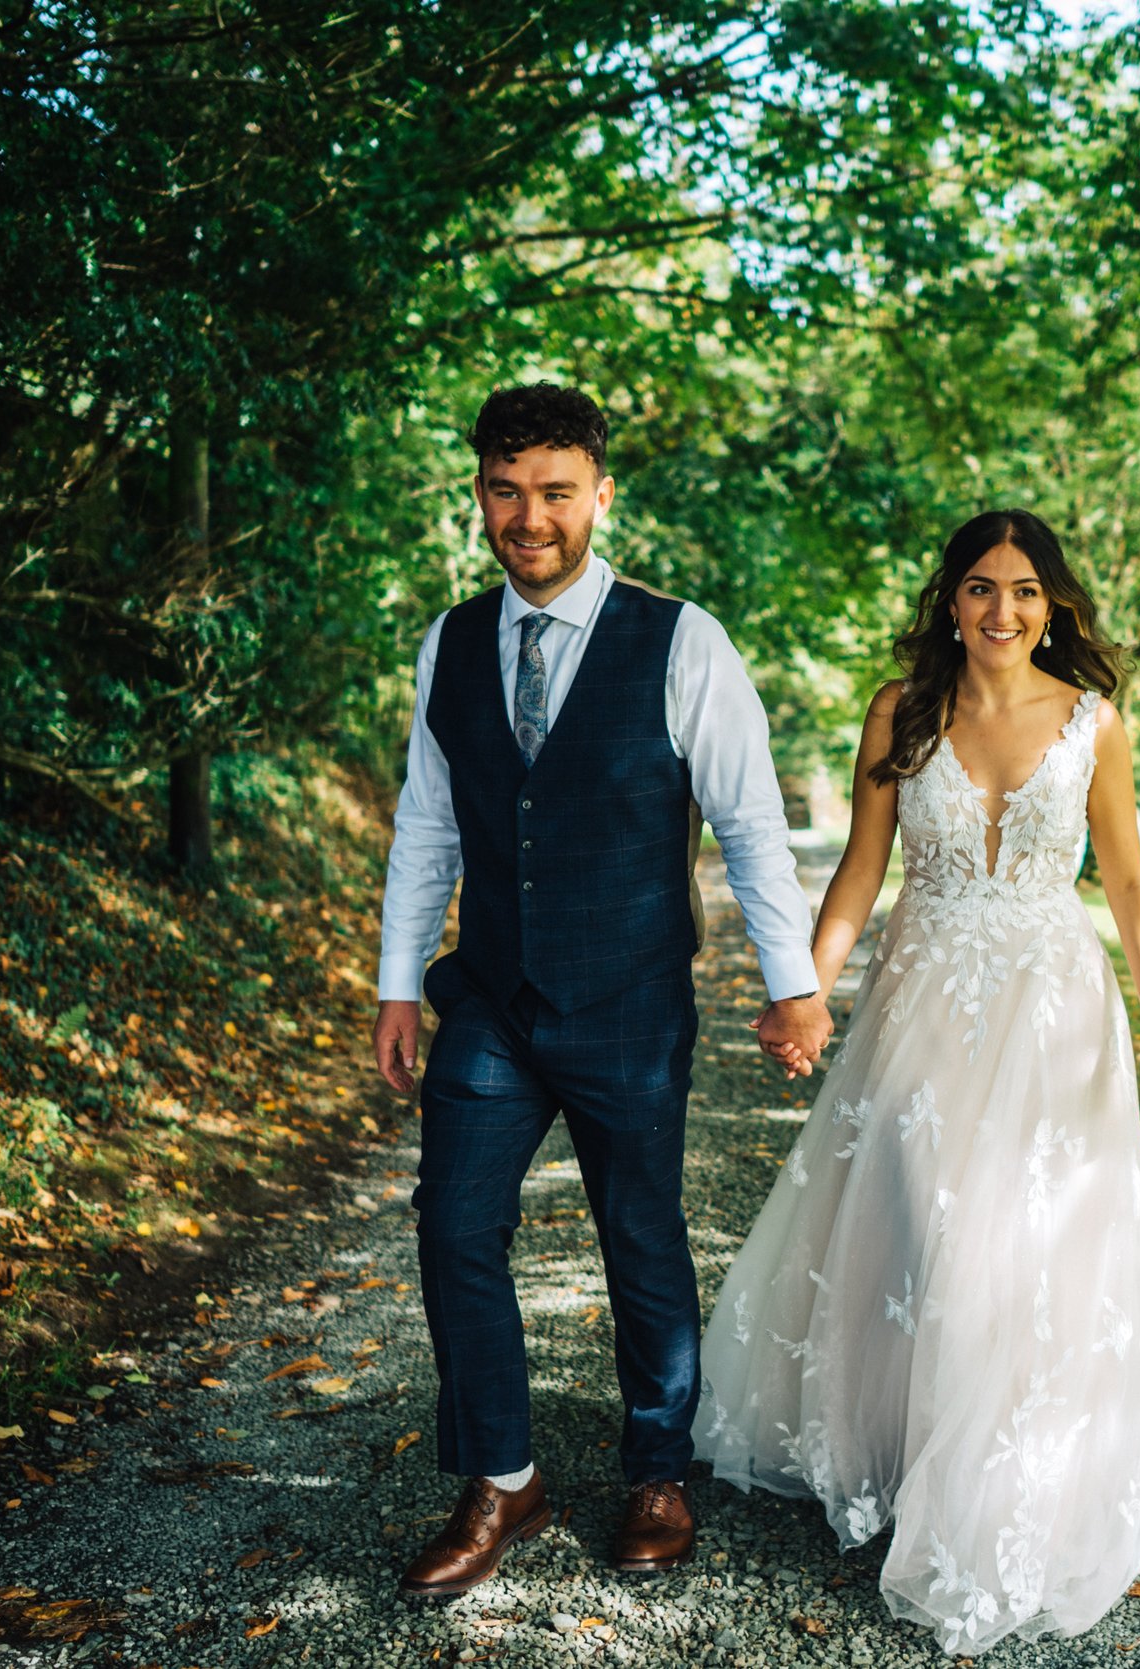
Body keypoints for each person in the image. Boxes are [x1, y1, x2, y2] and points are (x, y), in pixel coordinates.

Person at [694, 508, 1140, 1655]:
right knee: (928, 1232)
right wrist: (802, 989)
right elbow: (862, 875)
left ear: (1053, 603)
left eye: (1021, 590)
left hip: (1054, 1010)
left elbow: (1124, 877)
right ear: (949, 600)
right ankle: (900, 1452)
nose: (999, 610)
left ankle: (990, 1494)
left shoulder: (1094, 723)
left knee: (1022, 1244)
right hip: (925, 1001)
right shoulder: (900, 711)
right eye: (977, 587)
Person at [371, 383, 832, 1603]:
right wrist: (396, 984)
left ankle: (656, 1469)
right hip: (488, 1003)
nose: (530, 517)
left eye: (556, 491)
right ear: (479, 491)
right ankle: (503, 1480)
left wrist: (792, 985)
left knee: (640, 1235)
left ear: (599, 494)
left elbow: (749, 824)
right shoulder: (451, 642)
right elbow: (428, 821)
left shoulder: (683, 640)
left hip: (629, 999)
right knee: (453, 1224)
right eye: (506, 490)